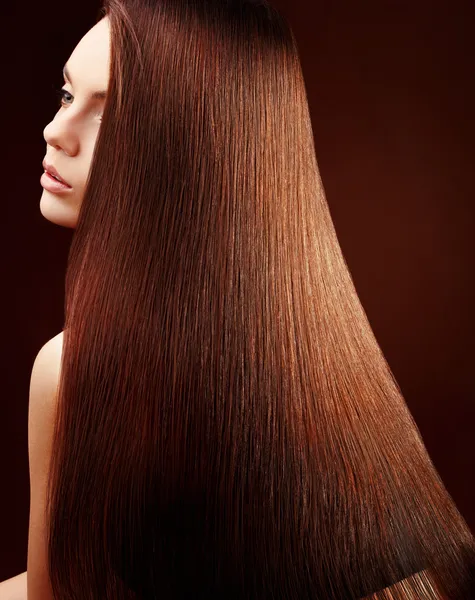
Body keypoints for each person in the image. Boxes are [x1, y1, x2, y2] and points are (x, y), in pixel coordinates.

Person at [2, 0, 475, 598]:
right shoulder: (314, 358)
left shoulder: (72, 371)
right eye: (68, 96)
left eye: (110, 115)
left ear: (194, 148)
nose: (54, 132)